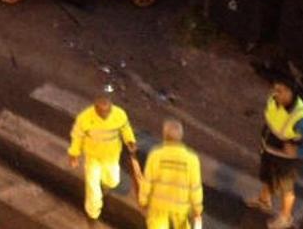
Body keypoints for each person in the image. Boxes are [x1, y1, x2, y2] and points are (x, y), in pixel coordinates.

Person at [245, 77, 303, 229]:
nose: (275, 93)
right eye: (275, 88)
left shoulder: (300, 118)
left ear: (290, 92)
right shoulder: (274, 100)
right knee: (267, 176)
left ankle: (285, 217)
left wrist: (298, 152)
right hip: (270, 150)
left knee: (286, 189)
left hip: (285, 160)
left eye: (279, 90)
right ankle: (264, 200)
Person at [68, 85, 137, 224]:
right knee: (93, 188)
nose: (106, 114)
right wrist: (74, 154)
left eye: (108, 110)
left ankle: (105, 187)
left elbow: (125, 128)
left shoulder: (119, 114)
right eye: (102, 111)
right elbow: (77, 136)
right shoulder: (85, 118)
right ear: (96, 108)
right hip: (93, 158)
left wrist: (129, 140)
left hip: (111, 157)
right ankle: (92, 213)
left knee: (113, 181)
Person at [139, 119, 203, 229]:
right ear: (181, 136)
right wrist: (197, 209)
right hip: (181, 209)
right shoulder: (192, 159)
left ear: (164, 135)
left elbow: (147, 181)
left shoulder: (156, 155)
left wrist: (143, 201)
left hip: (158, 206)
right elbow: (195, 187)